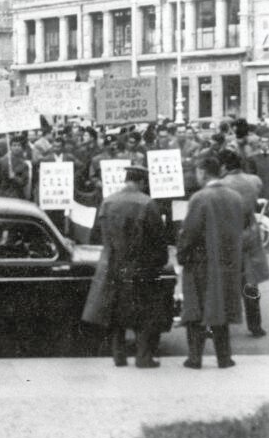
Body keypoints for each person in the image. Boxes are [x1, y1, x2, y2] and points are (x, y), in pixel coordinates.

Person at [82, 165, 170, 368]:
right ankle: (143, 356)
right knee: (144, 310)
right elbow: (158, 239)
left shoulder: (107, 202)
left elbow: (98, 235)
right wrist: (161, 260)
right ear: (142, 182)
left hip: (112, 263)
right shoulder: (148, 204)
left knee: (115, 309)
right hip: (141, 264)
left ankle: (118, 355)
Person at [178, 156, 244, 369]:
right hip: (229, 261)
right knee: (221, 308)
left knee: (196, 308)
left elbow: (189, 233)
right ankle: (224, 357)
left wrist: (181, 255)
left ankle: (195, 358)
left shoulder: (200, 198)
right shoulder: (235, 197)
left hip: (202, 261)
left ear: (203, 172)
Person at [218, 148, 269, 337]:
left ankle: (220, 322)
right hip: (250, 232)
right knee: (250, 281)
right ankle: (255, 324)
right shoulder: (254, 181)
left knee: (222, 279)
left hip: (227, 233)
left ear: (223, 166)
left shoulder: (221, 184)